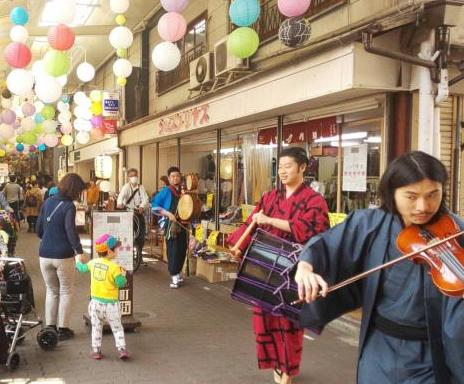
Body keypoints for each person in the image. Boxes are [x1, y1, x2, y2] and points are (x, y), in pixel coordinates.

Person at [295, 151, 464, 384]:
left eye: (433, 195)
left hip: (429, 354)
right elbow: (328, 245)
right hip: (379, 347)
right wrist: (305, 267)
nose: (423, 206)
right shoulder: (370, 223)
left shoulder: (454, 231)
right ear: (392, 193)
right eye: (411, 196)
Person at [228, 147, 330, 384]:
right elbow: (251, 225)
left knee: (289, 322)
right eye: (280, 167)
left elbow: (314, 233)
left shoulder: (315, 200)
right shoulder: (269, 197)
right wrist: (238, 248)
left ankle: (287, 369)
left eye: (288, 166)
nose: (283, 172)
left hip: (294, 270)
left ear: (302, 167)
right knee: (263, 318)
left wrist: (269, 220)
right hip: (264, 268)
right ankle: (276, 363)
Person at [36, 173, 86, 341]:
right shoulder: (69, 206)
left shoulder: (47, 202)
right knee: (66, 290)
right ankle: (63, 329)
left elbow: (39, 230)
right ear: (74, 189)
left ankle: (50, 327)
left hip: (44, 254)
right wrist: (79, 251)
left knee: (51, 290)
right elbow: (70, 231)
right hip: (63, 255)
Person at [75, 233, 129, 360]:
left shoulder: (93, 262)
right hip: (111, 305)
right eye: (116, 248)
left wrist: (77, 260)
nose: (118, 249)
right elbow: (120, 283)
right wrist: (124, 275)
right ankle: (122, 350)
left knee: (96, 328)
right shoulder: (115, 267)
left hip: (95, 304)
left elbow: (82, 269)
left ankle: (96, 351)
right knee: (117, 328)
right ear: (110, 251)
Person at [152, 166, 190, 289]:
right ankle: (174, 276)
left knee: (182, 248)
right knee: (173, 250)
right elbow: (154, 206)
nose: (175, 178)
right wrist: (168, 214)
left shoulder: (183, 191)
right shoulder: (166, 191)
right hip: (171, 225)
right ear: (169, 178)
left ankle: (178, 273)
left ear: (180, 177)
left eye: (177, 176)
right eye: (173, 176)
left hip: (183, 224)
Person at [117, 168, 149, 257]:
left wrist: (142, 206)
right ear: (128, 178)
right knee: (128, 234)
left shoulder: (141, 187)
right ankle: (128, 254)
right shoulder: (126, 187)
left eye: (135, 175)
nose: (134, 177)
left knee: (141, 235)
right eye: (131, 176)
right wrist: (119, 203)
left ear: (137, 176)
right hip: (128, 213)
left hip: (138, 213)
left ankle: (139, 255)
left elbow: (145, 198)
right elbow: (121, 196)